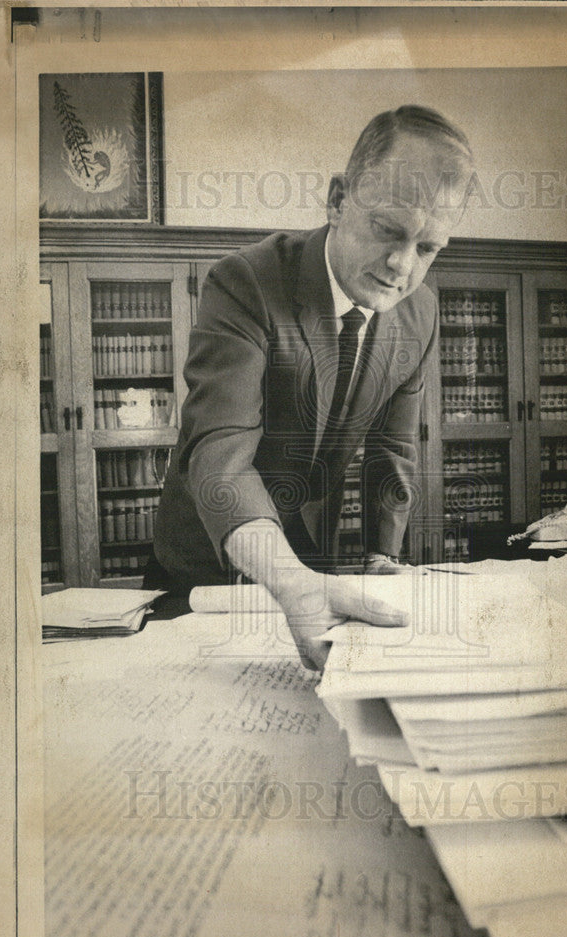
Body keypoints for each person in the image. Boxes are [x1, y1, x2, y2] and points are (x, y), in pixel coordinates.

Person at [150, 105, 474, 669]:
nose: (402, 265)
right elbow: (220, 455)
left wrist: (381, 554)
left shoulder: (420, 312)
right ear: (337, 200)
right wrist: (290, 580)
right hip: (204, 565)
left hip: (308, 558)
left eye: (428, 249)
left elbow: (393, 450)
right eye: (387, 231)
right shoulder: (245, 281)